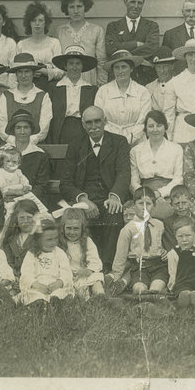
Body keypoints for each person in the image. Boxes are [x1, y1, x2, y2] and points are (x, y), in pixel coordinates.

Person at [60, 106, 130, 269]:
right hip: (85, 199)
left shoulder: (119, 142)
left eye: (97, 121)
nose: (94, 126)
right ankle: (84, 265)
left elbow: (124, 173)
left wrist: (114, 196)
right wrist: (83, 200)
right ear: (83, 125)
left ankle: (107, 267)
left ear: (105, 121)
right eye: (89, 122)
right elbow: (66, 182)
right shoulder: (76, 145)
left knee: (114, 214)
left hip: (109, 197)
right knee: (77, 218)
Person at [107, 187, 169, 296]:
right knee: (138, 289)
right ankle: (145, 302)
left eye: (148, 204)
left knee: (156, 289)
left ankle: (150, 301)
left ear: (154, 206)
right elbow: (120, 256)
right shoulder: (128, 229)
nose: (144, 207)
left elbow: (162, 244)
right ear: (134, 206)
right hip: (140, 268)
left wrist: (164, 251)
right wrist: (116, 276)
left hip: (158, 266)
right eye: (141, 203)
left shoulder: (160, 225)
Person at [130, 110, 184, 218]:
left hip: (169, 193)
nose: (155, 130)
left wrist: (160, 193)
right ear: (145, 129)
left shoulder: (176, 148)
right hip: (144, 195)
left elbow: (178, 179)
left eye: (159, 125)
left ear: (165, 127)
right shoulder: (136, 150)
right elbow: (134, 181)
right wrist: (145, 196)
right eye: (151, 126)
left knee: (166, 211)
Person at [0, 109, 53, 211]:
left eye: (26, 127)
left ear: (31, 130)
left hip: (30, 200)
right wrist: (4, 195)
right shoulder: (3, 152)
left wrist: (25, 198)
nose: (22, 132)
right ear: (13, 130)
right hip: (6, 199)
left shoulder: (40, 155)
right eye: (18, 128)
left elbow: (42, 185)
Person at [94, 50, 153, 146]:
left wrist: (129, 139)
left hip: (137, 141)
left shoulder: (142, 91)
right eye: (117, 68)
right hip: (110, 141)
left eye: (124, 67)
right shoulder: (103, 91)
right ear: (113, 70)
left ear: (131, 69)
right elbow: (100, 119)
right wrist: (114, 140)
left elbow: (143, 120)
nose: (120, 71)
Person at [104, 0, 161, 84]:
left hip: (144, 77)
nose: (136, 6)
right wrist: (136, 44)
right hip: (118, 78)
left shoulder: (152, 26)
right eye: (132, 2)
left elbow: (151, 48)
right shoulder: (113, 26)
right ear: (125, 2)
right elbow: (111, 49)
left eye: (139, 3)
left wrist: (122, 52)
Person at [0, 52, 53, 145]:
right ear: (16, 74)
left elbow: (44, 126)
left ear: (33, 73)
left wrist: (30, 142)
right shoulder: (6, 95)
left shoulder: (43, 96)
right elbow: (1, 123)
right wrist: (13, 141)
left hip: (36, 146)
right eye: (20, 72)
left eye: (27, 71)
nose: (23, 76)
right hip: (11, 147)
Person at [18, 214, 74, 307]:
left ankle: (56, 304)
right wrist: (36, 284)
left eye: (56, 238)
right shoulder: (31, 254)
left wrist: (59, 282)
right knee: (34, 295)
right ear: (38, 240)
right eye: (49, 240)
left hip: (55, 285)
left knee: (59, 293)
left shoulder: (59, 253)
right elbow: (26, 273)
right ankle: (39, 305)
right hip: (38, 286)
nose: (53, 242)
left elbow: (66, 271)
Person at [48, 45, 99, 145]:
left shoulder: (91, 89)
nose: (74, 67)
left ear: (82, 66)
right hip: (60, 130)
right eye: (71, 64)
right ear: (65, 66)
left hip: (83, 130)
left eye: (78, 64)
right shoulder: (54, 88)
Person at [56, 0, 107, 86]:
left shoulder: (96, 30)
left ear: (85, 7)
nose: (76, 11)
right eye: (72, 7)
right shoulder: (59, 31)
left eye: (79, 6)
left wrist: (101, 84)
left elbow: (101, 61)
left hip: (90, 78)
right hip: (66, 78)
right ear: (66, 9)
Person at [17, 0, 65, 91]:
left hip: (49, 87)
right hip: (27, 87)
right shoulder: (21, 45)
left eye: (40, 20)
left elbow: (60, 71)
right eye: (34, 20)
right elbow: (16, 71)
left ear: (45, 23)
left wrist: (42, 71)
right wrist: (30, 74)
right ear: (29, 23)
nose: (37, 24)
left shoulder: (54, 43)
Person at [59, 208, 105, 301]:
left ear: (82, 228)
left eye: (76, 229)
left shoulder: (87, 241)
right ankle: (86, 301)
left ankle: (101, 298)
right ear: (63, 227)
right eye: (68, 228)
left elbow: (94, 260)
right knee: (78, 290)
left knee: (96, 280)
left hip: (84, 273)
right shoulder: (59, 244)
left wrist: (87, 271)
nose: (72, 232)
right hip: (67, 276)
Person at [0, 145, 48, 213]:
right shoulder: (0, 172)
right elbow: (2, 188)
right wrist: (16, 192)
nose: (11, 164)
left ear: (18, 163)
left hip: (21, 196)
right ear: (2, 162)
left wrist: (27, 186)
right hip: (7, 199)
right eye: (8, 161)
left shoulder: (18, 172)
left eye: (14, 162)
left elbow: (25, 181)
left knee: (30, 208)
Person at [162, 185, 195, 252]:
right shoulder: (168, 223)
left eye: (184, 203)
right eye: (177, 204)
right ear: (171, 205)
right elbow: (171, 246)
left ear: (191, 202)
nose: (180, 207)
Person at [0, 200, 41, 278]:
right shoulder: (11, 237)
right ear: (16, 219)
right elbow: (8, 259)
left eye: (29, 217)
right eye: (22, 218)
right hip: (13, 275)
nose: (25, 221)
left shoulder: (39, 237)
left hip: (33, 276)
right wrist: (13, 274)